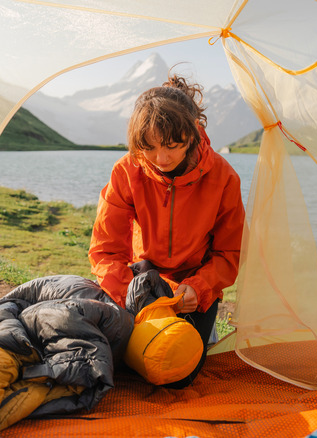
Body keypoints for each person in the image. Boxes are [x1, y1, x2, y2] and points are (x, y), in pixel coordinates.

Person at [88, 72, 246, 388]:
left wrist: (199, 288)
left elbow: (229, 254)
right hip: (141, 278)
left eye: (172, 146)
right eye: (149, 147)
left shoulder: (224, 178)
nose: (161, 159)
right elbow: (105, 250)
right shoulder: (127, 170)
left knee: (177, 375)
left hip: (193, 284)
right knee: (114, 362)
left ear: (193, 133)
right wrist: (130, 295)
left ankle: (201, 325)